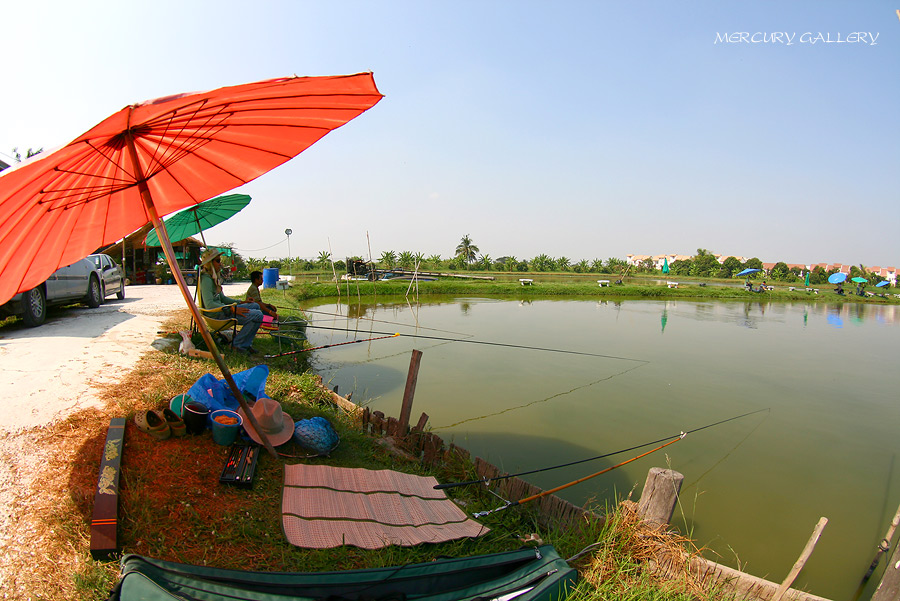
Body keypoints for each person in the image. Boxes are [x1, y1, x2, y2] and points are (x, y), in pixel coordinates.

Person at [199, 249, 263, 354]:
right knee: (257, 315)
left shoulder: (213, 278)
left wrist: (241, 302)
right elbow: (210, 304)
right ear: (210, 263)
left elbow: (223, 299)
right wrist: (232, 309)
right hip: (216, 315)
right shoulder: (206, 280)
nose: (221, 264)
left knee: (255, 306)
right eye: (218, 261)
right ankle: (237, 345)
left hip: (223, 310)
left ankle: (245, 344)